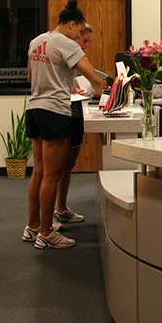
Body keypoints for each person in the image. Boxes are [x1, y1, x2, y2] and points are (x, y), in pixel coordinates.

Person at [22, 0, 105, 249]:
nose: (79, 35)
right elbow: (93, 76)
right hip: (55, 112)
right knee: (52, 175)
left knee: (38, 171)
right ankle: (46, 232)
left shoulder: (37, 41)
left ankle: (33, 225)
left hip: (34, 108)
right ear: (71, 24)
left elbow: (31, 76)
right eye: (78, 30)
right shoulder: (66, 44)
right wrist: (106, 93)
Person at [55, 23, 95, 225]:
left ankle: (61, 208)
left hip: (76, 109)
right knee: (56, 167)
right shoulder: (61, 51)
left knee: (68, 165)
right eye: (84, 41)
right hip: (61, 111)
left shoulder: (77, 56)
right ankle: (46, 217)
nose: (86, 46)